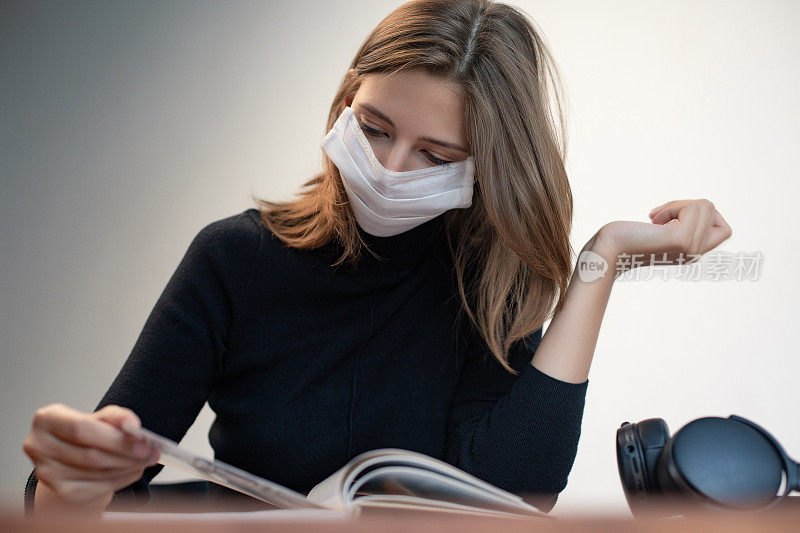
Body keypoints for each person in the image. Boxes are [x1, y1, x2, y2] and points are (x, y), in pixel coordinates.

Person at [22, 0, 732, 517]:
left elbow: (518, 496)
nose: (391, 168)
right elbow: (87, 490)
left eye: (436, 155)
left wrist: (602, 258)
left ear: (485, 168)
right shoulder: (233, 259)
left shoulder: (486, 288)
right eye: (374, 127)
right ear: (344, 105)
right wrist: (73, 475)